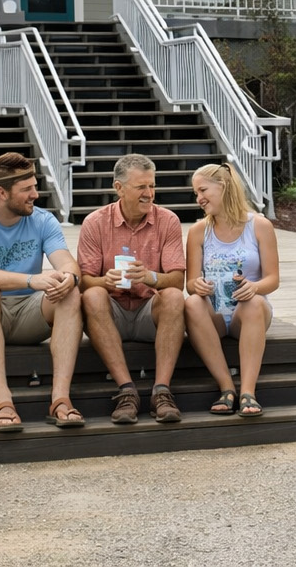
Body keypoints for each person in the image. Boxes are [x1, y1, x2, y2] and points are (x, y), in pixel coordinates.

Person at [0, 152, 84, 432]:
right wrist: (30, 280)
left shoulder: (43, 220)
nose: (35, 195)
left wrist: (70, 278)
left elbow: (66, 262)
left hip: (28, 315)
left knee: (71, 293)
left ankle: (60, 399)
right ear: (1, 192)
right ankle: (3, 402)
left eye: (34, 187)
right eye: (27, 189)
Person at [77, 153, 187, 424]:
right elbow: (84, 280)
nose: (149, 193)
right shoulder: (95, 222)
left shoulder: (168, 220)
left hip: (149, 311)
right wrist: (106, 280)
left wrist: (151, 277)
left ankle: (161, 391)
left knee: (173, 296)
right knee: (92, 294)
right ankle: (127, 390)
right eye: (141, 187)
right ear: (119, 188)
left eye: (152, 186)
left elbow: (177, 280)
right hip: (110, 312)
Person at [183, 162, 280, 418]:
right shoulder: (197, 232)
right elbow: (190, 283)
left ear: (223, 186)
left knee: (254, 302)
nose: (199, 198)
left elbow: (273, 279)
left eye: (203, 190)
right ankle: (226, 387)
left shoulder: (259, 226)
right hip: (213, 314)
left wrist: (254, 286)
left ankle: (249, 391)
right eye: (196, 193)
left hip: (248, 314)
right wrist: (198, 286)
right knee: (192, 302)